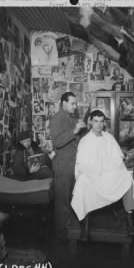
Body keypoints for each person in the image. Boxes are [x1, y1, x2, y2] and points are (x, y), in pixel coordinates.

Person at [71, 110, 134, 240]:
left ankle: (130, 222)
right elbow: (82, 164)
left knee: (126, 178)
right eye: (95, 121)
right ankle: (85, 226)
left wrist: (110, 167)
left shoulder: (109, 138)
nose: (98, 125)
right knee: (83, 181)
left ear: (104, 123)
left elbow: (117, 158)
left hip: (108, 174)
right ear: (90, 122)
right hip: (92, 176)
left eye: (101, 121)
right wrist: (95, 170)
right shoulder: (85, 141)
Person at [49, 92, 86, 242]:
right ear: (63, 103)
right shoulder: (57, 118)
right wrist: (75, 130)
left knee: (73, 199)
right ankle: (62, 238)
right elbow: (57, 142)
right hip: (63, 166)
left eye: (75, 103)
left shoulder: (72, 118)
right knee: (62, 202)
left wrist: (84, 128)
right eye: (73, 103)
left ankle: (72, 235)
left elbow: (76, 141)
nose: (75, 106)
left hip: (74, 165)